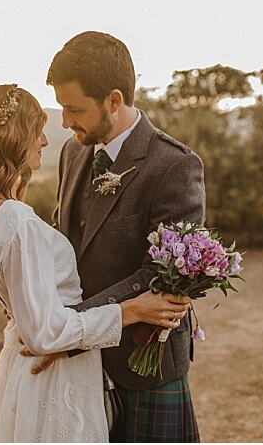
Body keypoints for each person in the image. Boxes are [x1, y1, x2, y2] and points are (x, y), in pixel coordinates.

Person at [0, 84, 188, 442]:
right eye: (35, 130)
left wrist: (29, 307)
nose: (43, 140)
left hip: (28, 371)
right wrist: (133, 310)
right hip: (54, 379)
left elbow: (30, 309)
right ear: (14, 138)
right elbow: (46, 334)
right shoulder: (15, 219)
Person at [45, 31, 206, 442]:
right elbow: (61, 238)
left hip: (142, 367)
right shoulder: (73, 152)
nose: (65, 121)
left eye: (74, 109)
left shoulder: (174, 165)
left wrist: (71, 325)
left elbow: (158, 277)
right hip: (78, 365)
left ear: (113, 101)